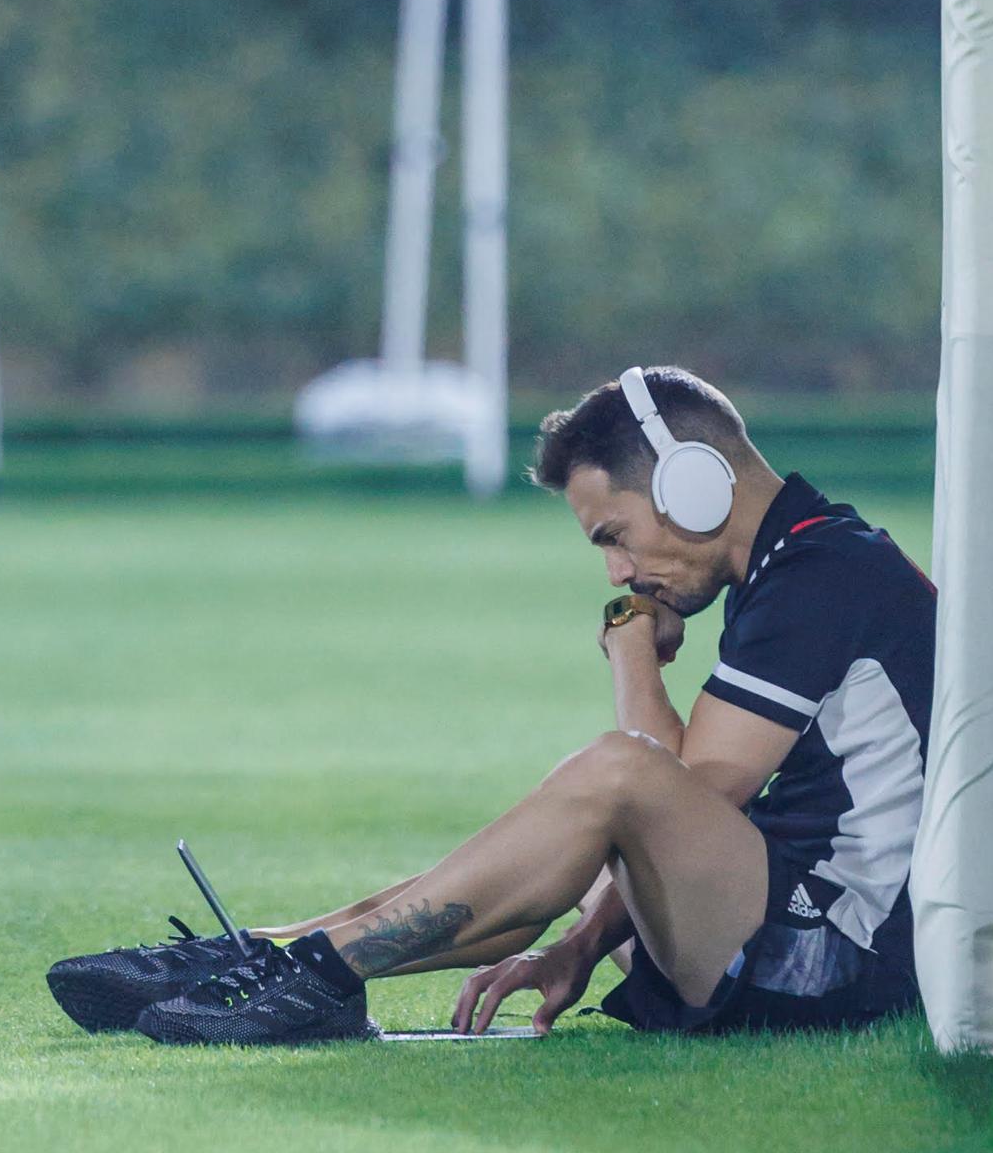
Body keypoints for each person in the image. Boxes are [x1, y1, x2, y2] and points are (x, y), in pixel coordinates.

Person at [46, 366, 933, 1044]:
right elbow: (679, 823)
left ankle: (305, 967)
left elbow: (682, 792)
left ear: (690, 485)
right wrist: (580, 947)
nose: (620, 575)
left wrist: (630, 645)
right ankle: (273, 953)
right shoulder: (793, 567)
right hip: (778, 918)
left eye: (614, 538)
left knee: (616, 771)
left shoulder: (821, 575)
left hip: (837, 959)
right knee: (583, 819)